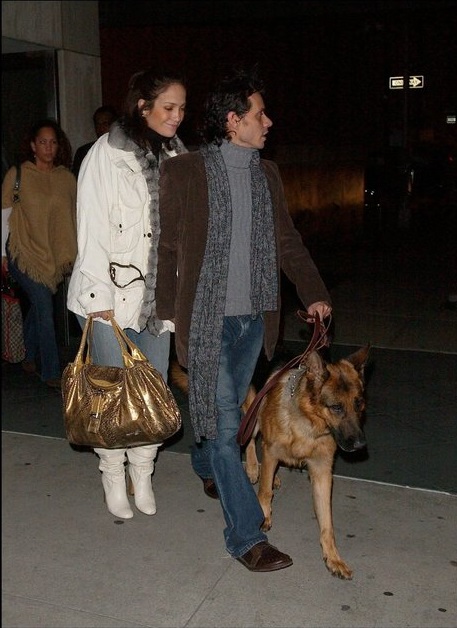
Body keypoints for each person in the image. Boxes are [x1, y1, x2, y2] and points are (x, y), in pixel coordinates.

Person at [156, 67, 332, 572]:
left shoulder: (266, 175)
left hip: (252, 321)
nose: (269, 121)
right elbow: (168, 249)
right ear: (233, 121)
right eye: (259, 114)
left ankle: (204, 459)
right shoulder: (184, 173)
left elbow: (286, 242)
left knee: (221, 432)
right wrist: (168, 317)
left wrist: (315, 294)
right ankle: (247, 537)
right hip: (206, 321)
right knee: (231, 422)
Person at [67, 69, 187, 519]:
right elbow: (91, 226)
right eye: (169, 108)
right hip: (108, 297)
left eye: (181, 109)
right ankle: (112, 474)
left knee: (152, 392)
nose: (177, 116)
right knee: (110, 394)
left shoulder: (178, 154)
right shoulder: (106, 154)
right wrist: (97, 299)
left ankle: (143, 471)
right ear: (143, 106)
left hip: (157, 299)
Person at [1, 118, 77, 388]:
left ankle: (30, 356)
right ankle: (51, 371)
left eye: (53, 142)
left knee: (39, 304)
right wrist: (1, 254)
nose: (48, 147)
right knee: (45, 305)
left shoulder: (66, 179)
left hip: (52, 254)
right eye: (43, 142)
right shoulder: (18, 174)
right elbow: (4, 214)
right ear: (33, 146)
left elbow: (74, 216)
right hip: (22, 251)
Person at [71, 105, 118, 178]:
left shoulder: (122, 151)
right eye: (98, 124)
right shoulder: (84, 152)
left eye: (105, 124)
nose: (101, 128)